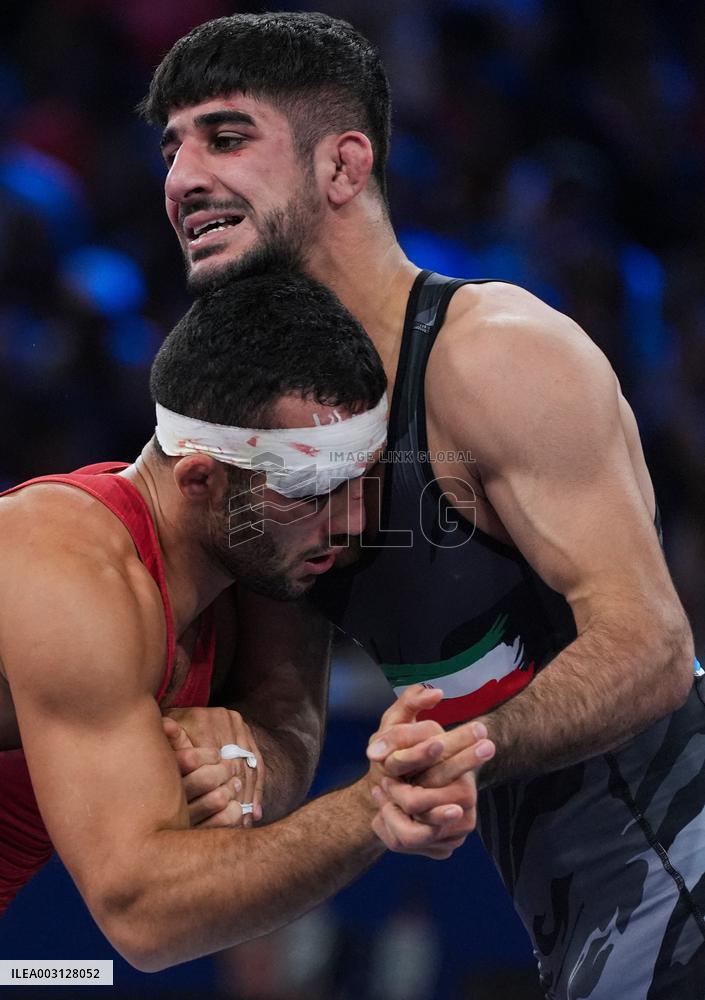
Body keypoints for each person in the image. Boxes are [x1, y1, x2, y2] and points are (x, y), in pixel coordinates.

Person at [141, 12, 704, 998]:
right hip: (586, 926)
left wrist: (457, 750)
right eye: (171, 148)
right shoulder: (259, 429)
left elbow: (650, 648)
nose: (182, 178)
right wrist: (238, 761)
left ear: (343, 165)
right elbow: (287, 718)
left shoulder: (494, 355)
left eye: (225, 137)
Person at [0, 271, 490, 970]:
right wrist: (374, 806)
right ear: (200, 480)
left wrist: (246, 759)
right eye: (314, 490)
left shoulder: (260, 547)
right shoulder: (67, 571)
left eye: (363, 479)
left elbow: (287, 724)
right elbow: (143, 916)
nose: (350, 523)